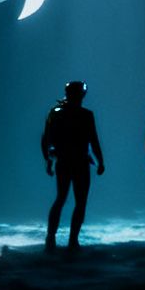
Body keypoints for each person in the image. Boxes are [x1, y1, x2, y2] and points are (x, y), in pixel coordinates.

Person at [42, 80, 104, 249]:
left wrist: (48, 160)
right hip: (79, 162)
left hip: (65, 161)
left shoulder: (56, 112)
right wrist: (100, 161)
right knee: (79, 201)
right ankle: (72, 240)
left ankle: (52, 238)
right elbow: (94, 140)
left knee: (62, 198)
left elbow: (46, 140)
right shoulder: (85, 115)